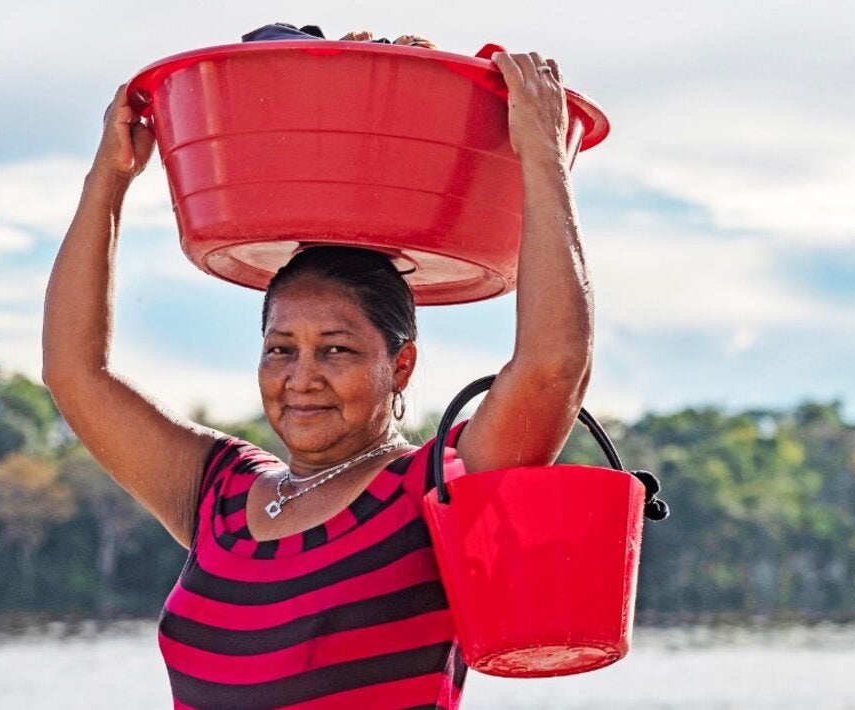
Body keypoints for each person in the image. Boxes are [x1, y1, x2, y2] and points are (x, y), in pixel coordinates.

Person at [42, 49, 592, 710]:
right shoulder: (218, 495)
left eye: (335, 351)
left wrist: (541, 158)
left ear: (401, 367)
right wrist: (109, 178)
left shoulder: (435, 491)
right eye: (281, 349)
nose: (302, 378)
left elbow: (552, 366)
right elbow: (74, 372)